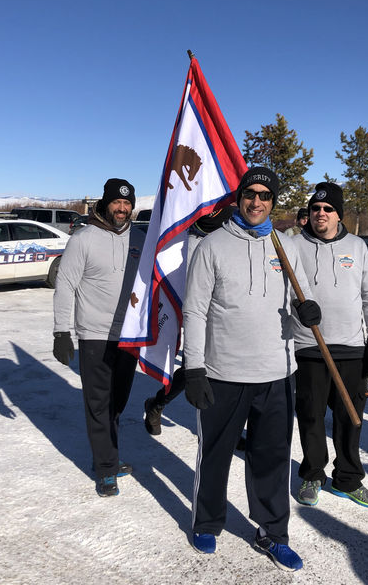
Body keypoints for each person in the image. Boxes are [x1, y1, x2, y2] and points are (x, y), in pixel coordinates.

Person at [182, 167, 321, 572]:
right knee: (215, 454)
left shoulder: (286, 246)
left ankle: (273, 532)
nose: (256, 201)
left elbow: (302, 302)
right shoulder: (212, 246)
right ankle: (207, 521)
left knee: (272, 458)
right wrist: (194, 368)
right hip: (224, 373)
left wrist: (308, 313)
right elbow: (195, 310)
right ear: (238, 197)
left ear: (274, 202)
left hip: (277, 372)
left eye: (264, 195)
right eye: (249, 193)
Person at [293, 182, 368, 509]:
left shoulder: (358, 246)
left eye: (328, 209)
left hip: (351, 348)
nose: (321, 213)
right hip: (309, 348)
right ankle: (313, 474)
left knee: (350, 416)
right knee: (311, 415)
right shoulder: (293, 246)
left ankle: (347, 478)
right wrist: (295, 307)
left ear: (338, 214)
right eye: (316, 208)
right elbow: (281, 290)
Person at [52, 178, 145, 497]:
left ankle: (109, 456)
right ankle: (105, 468)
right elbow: (65, 284)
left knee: (117, 402)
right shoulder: (84, 238)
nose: (122, 208)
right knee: (98, 404)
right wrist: (61, 331)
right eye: (117, 203)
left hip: (129, 335)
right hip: (94, 335)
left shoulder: (140, 238)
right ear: (105, 204)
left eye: (128, 203)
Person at [143, 205, 235, 436]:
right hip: (199, 317)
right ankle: (158, 404)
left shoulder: (232, 239)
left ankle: (227, 429)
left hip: (231, 318)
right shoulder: (186, 244)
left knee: (232, 375)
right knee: (194, 371)